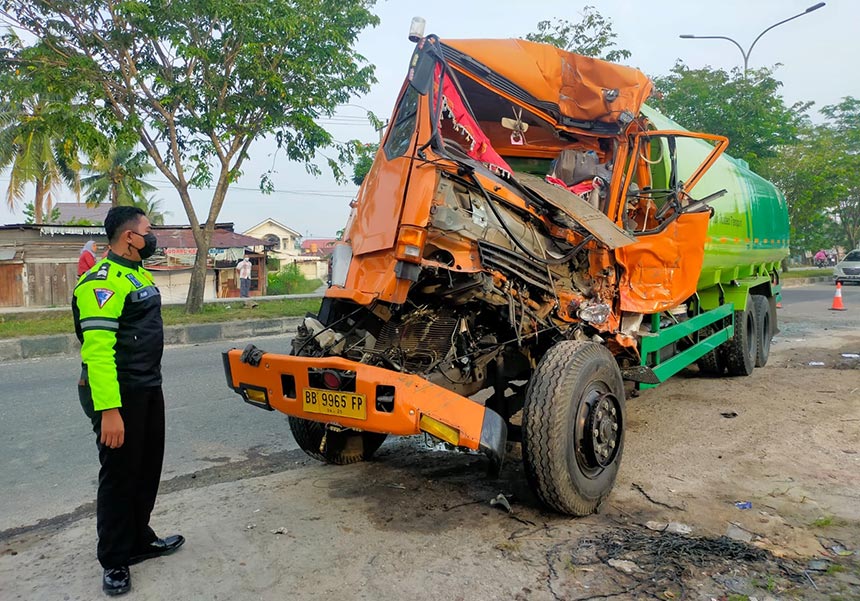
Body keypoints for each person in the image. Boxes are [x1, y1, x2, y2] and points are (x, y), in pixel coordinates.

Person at [72, 206, 184, 596]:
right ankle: (115, 559)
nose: (153, 237)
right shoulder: (100, 283)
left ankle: (139, 538)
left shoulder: (137, 274)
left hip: (148, 386)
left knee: (147, 466)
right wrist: (109, 411)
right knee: (119, 474)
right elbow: (98, 353)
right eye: (148, 230)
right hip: (117, 394)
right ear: (129, 238)